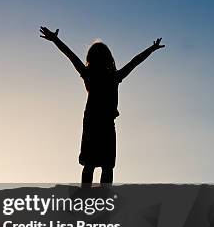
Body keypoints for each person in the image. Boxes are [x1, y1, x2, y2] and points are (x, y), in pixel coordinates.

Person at [40, 26, 165, 187]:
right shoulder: (111, 76)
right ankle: (99, 199)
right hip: (103, 124)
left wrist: (55, 40)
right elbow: (135, 61)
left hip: (94, 123)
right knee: (105, 166)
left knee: (91, 165)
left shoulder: (93, 74)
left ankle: (89, 198)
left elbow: (71, 55)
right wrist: (152, 49)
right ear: (108, 58)